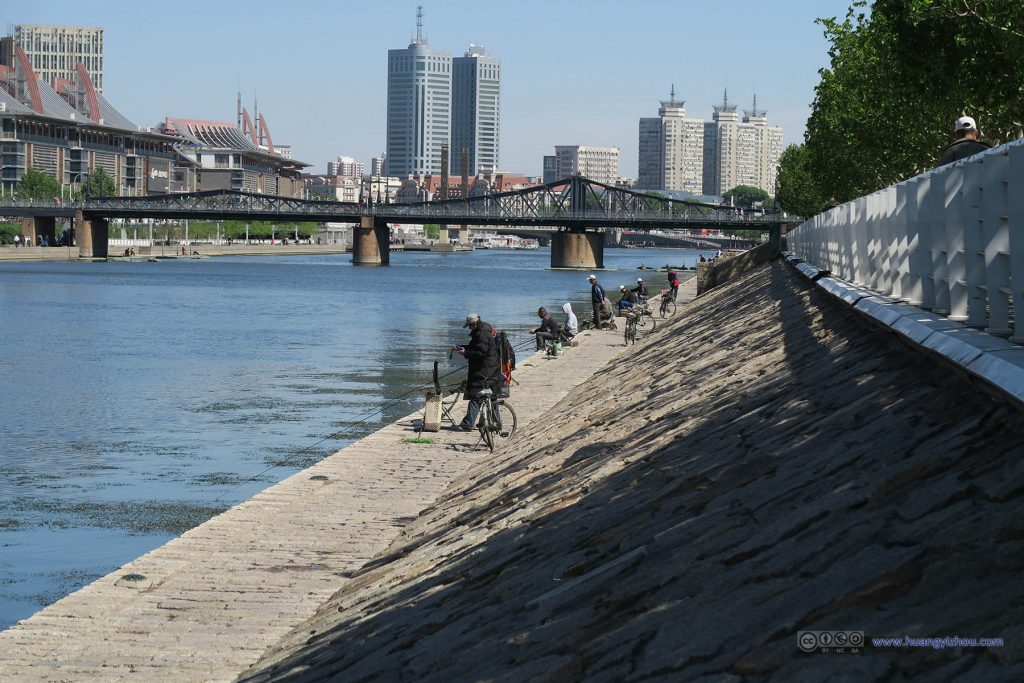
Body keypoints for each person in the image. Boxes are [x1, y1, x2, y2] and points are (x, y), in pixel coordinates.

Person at [454, 313, 501, 431]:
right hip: (492, 369)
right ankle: (496, 423)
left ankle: (468, 423)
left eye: (470, 326)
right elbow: (477, 348)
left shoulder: (482, 335)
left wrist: (465, 353)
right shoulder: (482, 332)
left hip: (485, 370)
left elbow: (481, 353)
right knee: (492, 397)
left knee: (476, 396)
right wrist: (461, 347)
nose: (469, 328)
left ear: (474, 323)